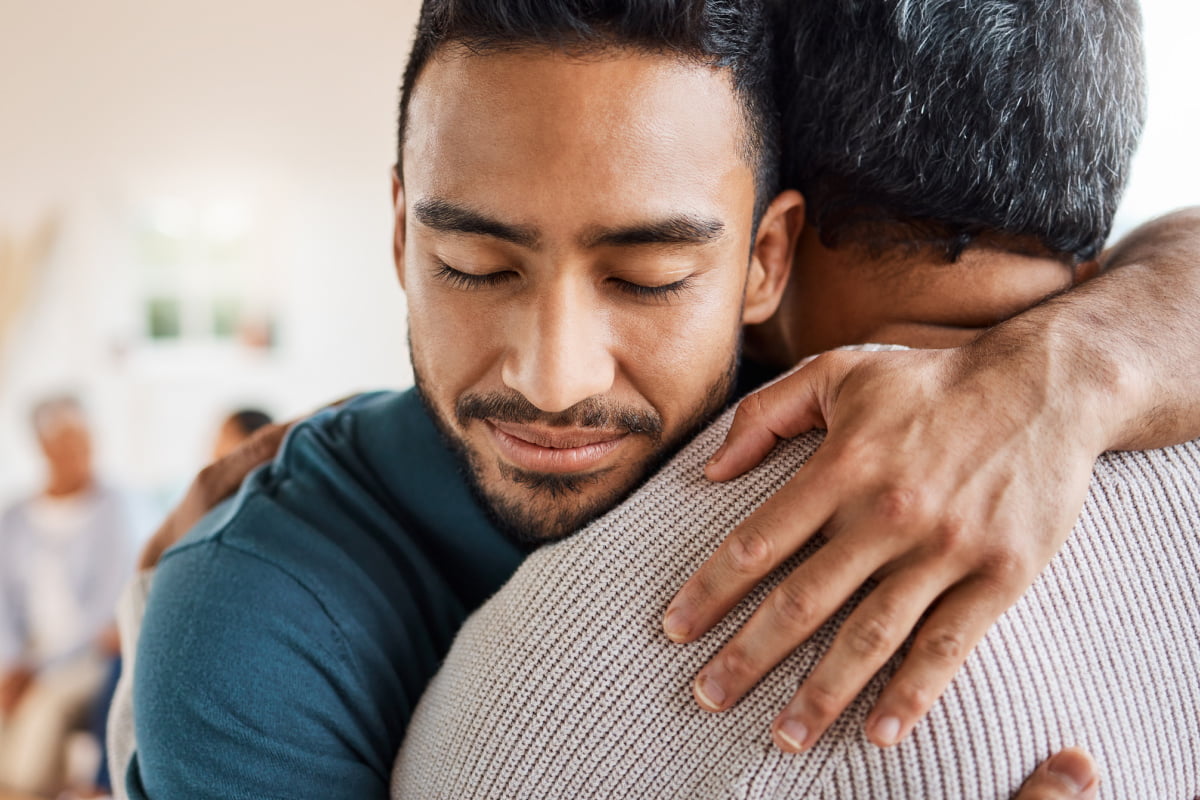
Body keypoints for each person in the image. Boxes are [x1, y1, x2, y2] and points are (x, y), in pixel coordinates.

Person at [116, 0, 1200, 797]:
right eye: (476, 264)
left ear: (766, 264)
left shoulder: (827, 385)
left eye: (647, 277)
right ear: (401, 235)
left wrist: (1060, 376)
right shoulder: (250, 625)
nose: (554, 375)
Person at [0, 395, 137, 797]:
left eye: (86, 442)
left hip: (87, 657)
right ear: (44, 447)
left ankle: (19, 789)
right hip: (25, 658)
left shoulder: (114, 510)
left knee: (45, 707)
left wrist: (37, 668)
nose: (82, 454)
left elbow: (104, 609)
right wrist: (12, 664)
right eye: (69, 443)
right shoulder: (14, 518)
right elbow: (2, 604)